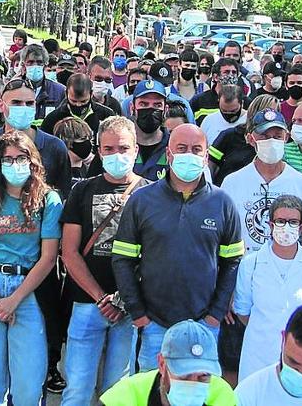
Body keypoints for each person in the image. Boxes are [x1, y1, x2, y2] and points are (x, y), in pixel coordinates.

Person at [111, 124, 244, 370]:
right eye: (181, 148)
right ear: (169, 155)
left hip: (204, 325)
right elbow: (122, 260)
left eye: (196, 149)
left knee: (198, 392)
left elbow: (232, 261)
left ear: (206, 157)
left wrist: (215, 315)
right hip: (153, 326)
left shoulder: (223, 203)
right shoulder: (142, 200)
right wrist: (139, 314)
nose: (189, 155)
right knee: (152, 392)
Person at [0, 132, 62, 406]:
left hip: (27, 291)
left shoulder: (48, 199)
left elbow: (49, 256)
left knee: (28, 388)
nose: (14, 164)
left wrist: (13, 301)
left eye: (21, 157)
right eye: (7, 159)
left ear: (33, 161)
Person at [59, 117, 145, 406]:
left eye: (123, 148)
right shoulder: (82, 191)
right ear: (98, 149)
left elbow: (154, 254)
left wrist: (124, 298)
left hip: (130, 307)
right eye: (108, 149)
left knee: (118, 393)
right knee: (77, 391)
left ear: (135, 150)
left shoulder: (150, 192)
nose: (116, 155)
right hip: (87, 304)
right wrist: (101, 298)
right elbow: (69, 251)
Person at [232, 195, 302, 383]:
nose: (286, 227)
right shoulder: (250, 264)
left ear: (301, 227)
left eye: (293, 222)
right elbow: (243, 311)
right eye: (280, 221)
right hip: (257, 358)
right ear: (270, 225)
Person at [219, 112, 302, 251]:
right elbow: (223, 236)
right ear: (251, 138)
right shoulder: (231, 183)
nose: (271, 141)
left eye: (277, 136)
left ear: (286, 137)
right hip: (244, 269)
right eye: (264, 136)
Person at [0, 78, 72, 195]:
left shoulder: (55, 147)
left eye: (29, 103)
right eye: (16, 103)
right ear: (1, 105)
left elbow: (63, 194)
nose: (24, 108)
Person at [101, 320, 237, 406]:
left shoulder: (222, 395)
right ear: (162, 364)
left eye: (204, 376)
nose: (193, 384)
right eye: (184, 374)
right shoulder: (125, 396)